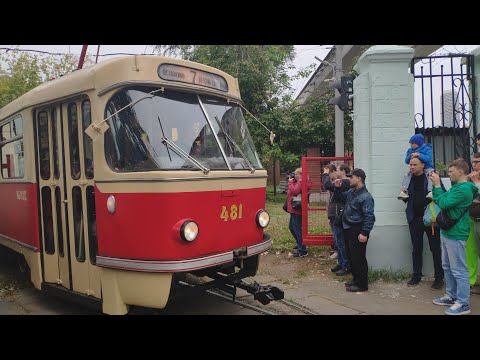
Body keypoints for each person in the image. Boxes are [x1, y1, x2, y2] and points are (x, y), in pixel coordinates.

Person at [431, 158, 478, 315]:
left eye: (451, 171)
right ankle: (451, 296)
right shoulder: (457, 187)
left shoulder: (464, 189)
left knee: (459, 269)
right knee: (447, 266)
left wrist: (437, 185)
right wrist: (437, 188)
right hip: (447, 231)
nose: (448, 174)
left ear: (461, 171)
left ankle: (463, 303)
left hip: (456, 233)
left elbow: (443, 203)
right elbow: (443, 198)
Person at [401, 157, 444, 289]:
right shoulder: (408, 178)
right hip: (414, 218)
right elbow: (406, 197)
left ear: (423, 165)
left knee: (435, 249)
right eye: (410, 165)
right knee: (416, 248)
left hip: (430, 219)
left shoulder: (431, 178)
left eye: (415, 164)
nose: (412, 167)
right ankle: (416, 276)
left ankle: (439, 278)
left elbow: (442, 194)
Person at [334, 168, 375, 292]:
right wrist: (337, 188)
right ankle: (356, 280)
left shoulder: (366, 197)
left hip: (357, 230)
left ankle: (362, 285)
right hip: (348, 228)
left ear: (359, 179)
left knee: (359, 258)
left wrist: (364, 233)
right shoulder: (352, 192)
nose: (349, 179)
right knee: (352, 257)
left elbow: (369, 217)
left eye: (352, 177)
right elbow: (340, 198)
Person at [322, 163, 351, 276]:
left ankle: (345, 265)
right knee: (338, 241)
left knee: (341, 241)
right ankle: (341, 262)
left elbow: (327, 185)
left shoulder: (345, 182)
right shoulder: (340, 182)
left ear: (343, 171)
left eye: (338, 170)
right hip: (335, 214)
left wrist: (324, 174)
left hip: (339, 215)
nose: (336, 172)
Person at [398, 134, 434, 200]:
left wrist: (419, 155)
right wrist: (410, 156)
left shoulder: (427, 149)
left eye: (412, 143)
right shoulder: (410, 150)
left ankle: (430, 192)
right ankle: (404, 191)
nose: (411, 145)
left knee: (431, 176)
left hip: (427, 167)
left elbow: (428, 159)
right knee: (407, 175)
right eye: (410, 144)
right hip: (416, 171)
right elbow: (406, 161)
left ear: (418, 143)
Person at [467, 152, 480, 293]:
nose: (474, 164)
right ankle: (470, 281)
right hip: (471, 220)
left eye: (477, 162)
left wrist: (477, 182)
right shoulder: (472, 177)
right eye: (473, 162)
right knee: (470, 251)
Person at [287, 167, 307, 257]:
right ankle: (301, 244)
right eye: (295, 174)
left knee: (297, 229)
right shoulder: (299, 181)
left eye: (297, 174)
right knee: (292, 227)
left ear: (301, 174)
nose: (295, 176)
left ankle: (302, 249)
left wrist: (290, 182)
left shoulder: (301, 181)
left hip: (297, 208)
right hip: (294, 208)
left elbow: (295, 191)